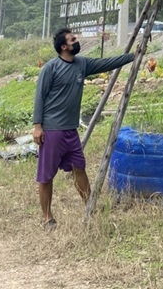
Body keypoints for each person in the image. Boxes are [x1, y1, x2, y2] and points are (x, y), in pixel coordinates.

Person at [33, 27, 135, 229]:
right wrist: (38, 126)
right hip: (52, 130)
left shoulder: (82, 64)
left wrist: (132, 56)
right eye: (72, 39)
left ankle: (90, 207)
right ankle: (47, 217)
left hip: (71, 130)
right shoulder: (51, 68)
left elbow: (107, 63)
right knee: (46, 175)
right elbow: (39, 97)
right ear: (64, 46)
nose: (76, 41)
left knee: (79, 168)